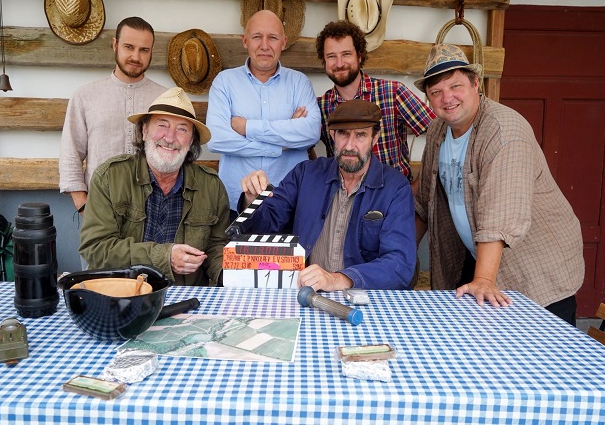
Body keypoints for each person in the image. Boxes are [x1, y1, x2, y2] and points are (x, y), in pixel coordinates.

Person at [413, 44, 584, 325]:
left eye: (455, 86)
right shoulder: (437, 132)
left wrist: (482, 279)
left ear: (475, 83)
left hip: (537, 267)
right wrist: (402, 258)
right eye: (436, 92)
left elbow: (500, 211)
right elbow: (424, 200)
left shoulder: (503, 130)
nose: (447, 98)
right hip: (481, 259)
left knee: (537, 350)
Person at [239, 99, 416, 292]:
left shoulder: (395, 187)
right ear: (332, 135)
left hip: (366, 298)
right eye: (343, 134)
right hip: (306, 292)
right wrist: (252, 199)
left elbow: (400, 264)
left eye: (360, 135)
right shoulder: (305, 174)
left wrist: (339, 279)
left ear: (374, 138)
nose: (350, 146)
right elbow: (264, 227)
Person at [79, 87, 230, 286]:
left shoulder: (211, 185)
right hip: (123, 294)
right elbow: (96, 249)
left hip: (185, 296)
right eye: (162, 125)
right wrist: (164, 256)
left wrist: (229, 275)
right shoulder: (110, 177)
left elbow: (216, 246)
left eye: (182, 129)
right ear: (144, 131)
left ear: (191, 140)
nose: (170, 137)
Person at [206, 9, 321, 216]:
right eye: (257, 37)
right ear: (245, 41)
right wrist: (282, 143)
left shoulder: (299, 83)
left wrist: (247, 127)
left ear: (283, 42)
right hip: (235, 202)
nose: (265, 45)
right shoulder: (224, 82)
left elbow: (311, 132)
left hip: (291, 201)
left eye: (273, 38)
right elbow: (217, 140)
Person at [59, 16, 166, 216]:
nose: (136, 56)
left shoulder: (165, 98)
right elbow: (70, 153)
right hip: (100, 208)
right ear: (115, 45)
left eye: (144, 50)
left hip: (154, 210)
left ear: (152, 51)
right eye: (129, 47)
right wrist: (84, 206)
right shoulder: (85, 96)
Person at [316, 20, 434, 182]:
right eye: (331, 56)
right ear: (324, 61)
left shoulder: (392, 92)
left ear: (359, 56)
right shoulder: (321, 106)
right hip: (345, 194)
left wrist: (418, 185)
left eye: (346, 54)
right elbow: (306, 150)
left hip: (393, 193)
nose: (339, 63)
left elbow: (438, 132)